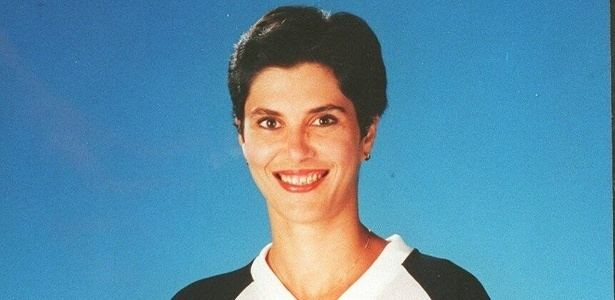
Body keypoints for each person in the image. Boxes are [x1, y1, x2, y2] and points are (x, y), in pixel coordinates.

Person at [174, 5, 489, 300]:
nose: (296, 150)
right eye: (270, 122)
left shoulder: (445, 292)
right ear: (242, 136)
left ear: (367, 133)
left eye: (323, 120)